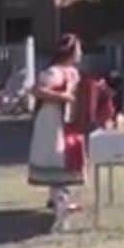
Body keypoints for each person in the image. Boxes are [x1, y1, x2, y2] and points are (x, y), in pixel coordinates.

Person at [28, 33, 86, 231]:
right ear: (69, 52)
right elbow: (36, 90)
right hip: (51, 120)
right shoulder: (53, 72)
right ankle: (60, 205)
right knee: (57, 157)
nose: (81, 53)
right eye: (78, 49)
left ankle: (60, 198)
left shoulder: (73, 72)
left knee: (67, 157)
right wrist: (62, 96)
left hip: (68, 121)